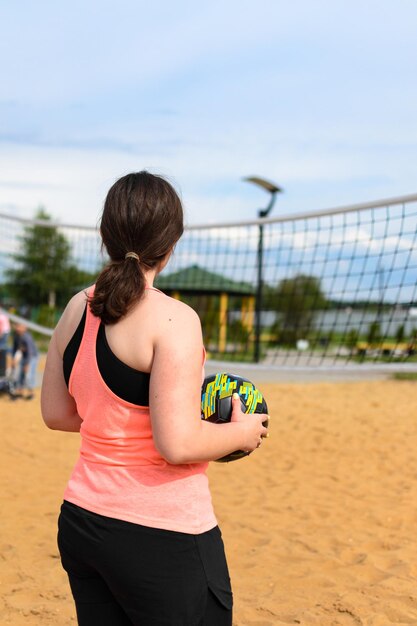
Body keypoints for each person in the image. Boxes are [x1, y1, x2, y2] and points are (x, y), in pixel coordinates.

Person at [41, 171, 268, 626]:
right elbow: (177, 444)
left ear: (105, 234)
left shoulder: (75, 307)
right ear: (172, 243)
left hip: (83, 520)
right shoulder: (174, 320)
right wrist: (240, 432)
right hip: (161, 531)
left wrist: (116, 420)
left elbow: (56, 414)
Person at [12, 322, 38, 400]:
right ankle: (20, 391)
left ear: (25, 328)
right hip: (24, 356)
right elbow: (15, 349)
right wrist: (14, 359)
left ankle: (31, 393)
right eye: (16, 326)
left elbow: (30, 351)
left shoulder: (27, 337)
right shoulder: (16, 336)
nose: (17, 328)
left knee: (29, 374)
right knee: (20, 374)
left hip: (32, 357)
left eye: (19, 326)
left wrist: (27, 364)